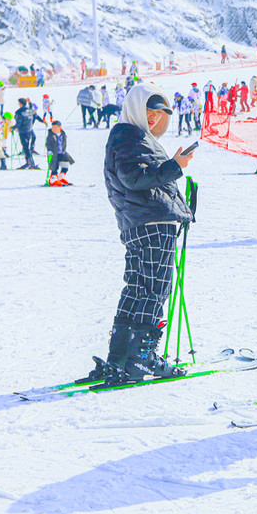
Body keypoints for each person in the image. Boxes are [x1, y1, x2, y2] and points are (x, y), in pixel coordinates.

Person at [93, 86, 195, 385]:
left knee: (138, 287)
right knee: (154, 289)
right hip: (151, 224)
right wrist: (174, 166)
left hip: (141, 222)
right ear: (136, 108)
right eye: (149, 112)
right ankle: (142, 356)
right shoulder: (130, 137)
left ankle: (120, 357)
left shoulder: (132, 136)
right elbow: (134, 178)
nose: (153, 118)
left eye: (159, 114)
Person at [13, 98, 43, 169]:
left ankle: (29, 163)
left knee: (25, 147)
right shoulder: (30, 110)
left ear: (20, 104)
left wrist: (12, 128)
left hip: (23, 131)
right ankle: (31, 162)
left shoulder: (19, 112)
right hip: (29, 130)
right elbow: (31, 108)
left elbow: (19, 123)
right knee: (26, 147)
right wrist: (30, 102)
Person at [44, 120, 75, 185]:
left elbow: (64, 143)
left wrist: (64, 150)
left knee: (65, 164)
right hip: (54, 153)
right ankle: (52, 180)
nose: (53, 129)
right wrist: (49, 150)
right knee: (54, 166)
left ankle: (61, 177)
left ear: (60, 128)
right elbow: (48, 144)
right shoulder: (50, 135)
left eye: (55, 127)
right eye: (53, 127)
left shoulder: (63, 134)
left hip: (62, 152)